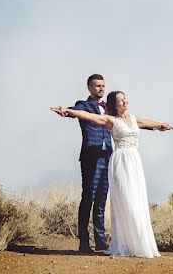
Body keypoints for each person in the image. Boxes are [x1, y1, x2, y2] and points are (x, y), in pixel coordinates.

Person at [51, 90, 173, 258]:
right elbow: (88, 116)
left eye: (125, 99)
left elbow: (147, 122)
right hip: (120, 161)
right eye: (120, 101)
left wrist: (160, 125)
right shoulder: (110, 120)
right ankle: (126, 244)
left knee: (137, 201)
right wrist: (67, 111)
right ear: (113, 105)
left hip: (134, 162)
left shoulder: (133, 118)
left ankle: (140, 244)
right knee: (127, 201)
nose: (124, 102)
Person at [66, 74, 114, 253]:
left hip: (107, 156)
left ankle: (101, 242)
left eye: (103, 86)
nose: (101, 89)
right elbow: (74, 110)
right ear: (89, 88)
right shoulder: (84, 105)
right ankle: (84, 243)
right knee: (88, 198)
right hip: (90, 157)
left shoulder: (109, 107)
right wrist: (66, 111)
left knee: (101, 199)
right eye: (97, 86)